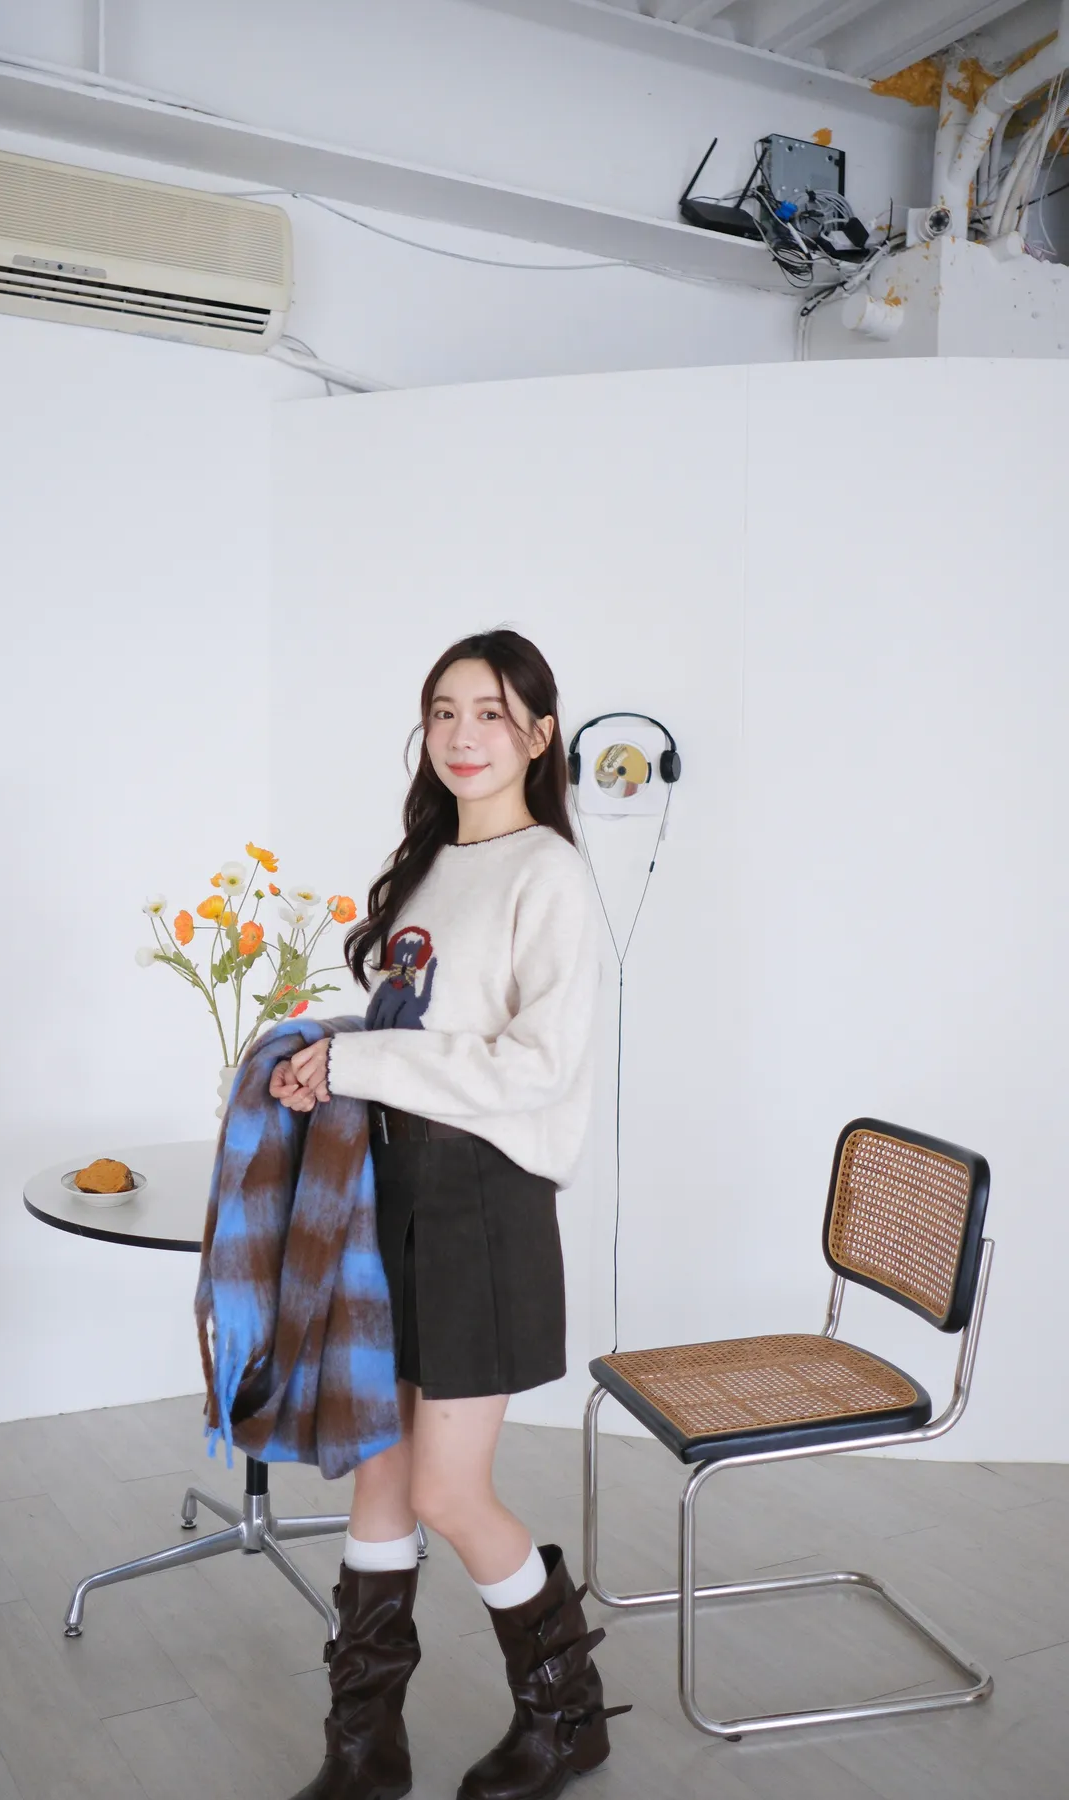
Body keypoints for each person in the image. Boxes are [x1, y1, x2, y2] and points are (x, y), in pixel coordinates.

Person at [272, 628, 621, 1800]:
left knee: (444, 1492)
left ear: (540, 733)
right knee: (380, 1478)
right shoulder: (427, 866)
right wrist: (325, 1057)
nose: (463, 735)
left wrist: (360, 1063)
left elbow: (536, 1070)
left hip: (481, 1204)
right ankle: (364, 1748)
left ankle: (567, 1716)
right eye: (442, 712)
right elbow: (416, 1031)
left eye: (491, 712)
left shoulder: (548, 875)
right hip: (393, 1194)